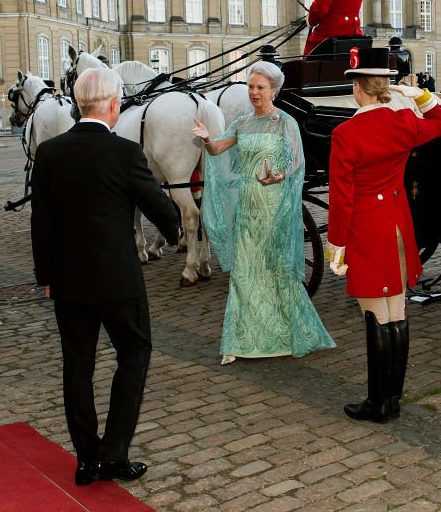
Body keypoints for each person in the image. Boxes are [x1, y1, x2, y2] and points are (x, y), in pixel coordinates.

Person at [31, 68, 180, 487]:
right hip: (118, 280)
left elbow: (40, 222)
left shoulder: (50, 153)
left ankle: (84, 458)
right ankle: (114, 453)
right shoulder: (123, 152)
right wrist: (176, 231)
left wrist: (45, 274)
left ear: (80, 104)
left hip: (68, 280)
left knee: (77, 366)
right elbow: (155, 201)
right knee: (134, 356)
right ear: (114, 104)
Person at [325, 48, 441, 423]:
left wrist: (337, 245)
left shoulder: (345, 133)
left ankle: (377, 403)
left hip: (366, 230)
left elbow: (341, 197)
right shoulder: (403, 122)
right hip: (398, 225)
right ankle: (391, 399)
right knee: (396, 312)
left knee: (376, 315)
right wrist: (424, 98)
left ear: (359, 89)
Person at [192, 61, 334, 365]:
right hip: (248, 205)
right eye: (251, 87)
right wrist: (206, 138)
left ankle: (284, 334)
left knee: (274, 268)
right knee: (245, 271)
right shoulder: (242, 123)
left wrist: (277, 177)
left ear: (274, 91)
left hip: (274, 205)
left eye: (260, 87)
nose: (254, 92)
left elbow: (297, 162)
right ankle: (243, 339)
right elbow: (217, 150)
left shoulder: (285, 122)